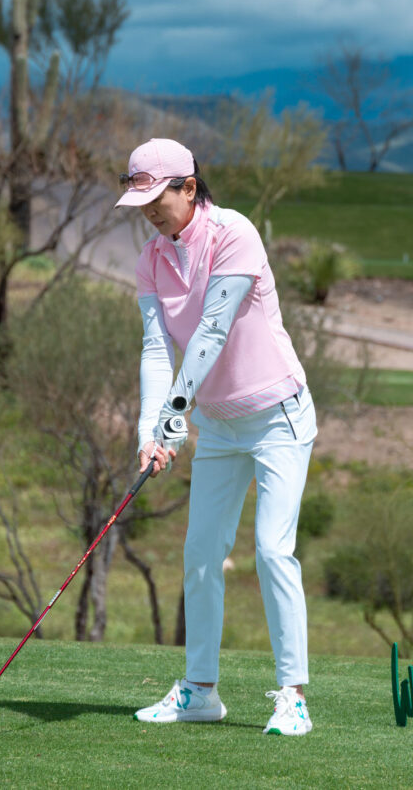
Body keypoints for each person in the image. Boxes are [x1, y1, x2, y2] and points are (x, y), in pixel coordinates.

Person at [117, 138, 316, 736]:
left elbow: (211, 331)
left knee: (272, 550)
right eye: (141, 202)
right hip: (220, 426)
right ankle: (200, 691)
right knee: (201, 553)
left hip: (277, 416)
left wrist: (173, 422)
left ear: (189, 187)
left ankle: (292, 697)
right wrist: (149, 432)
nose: (150, 213)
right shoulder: (152, 259)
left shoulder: (235, 233)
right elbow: (157, 350)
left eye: (158, 199)